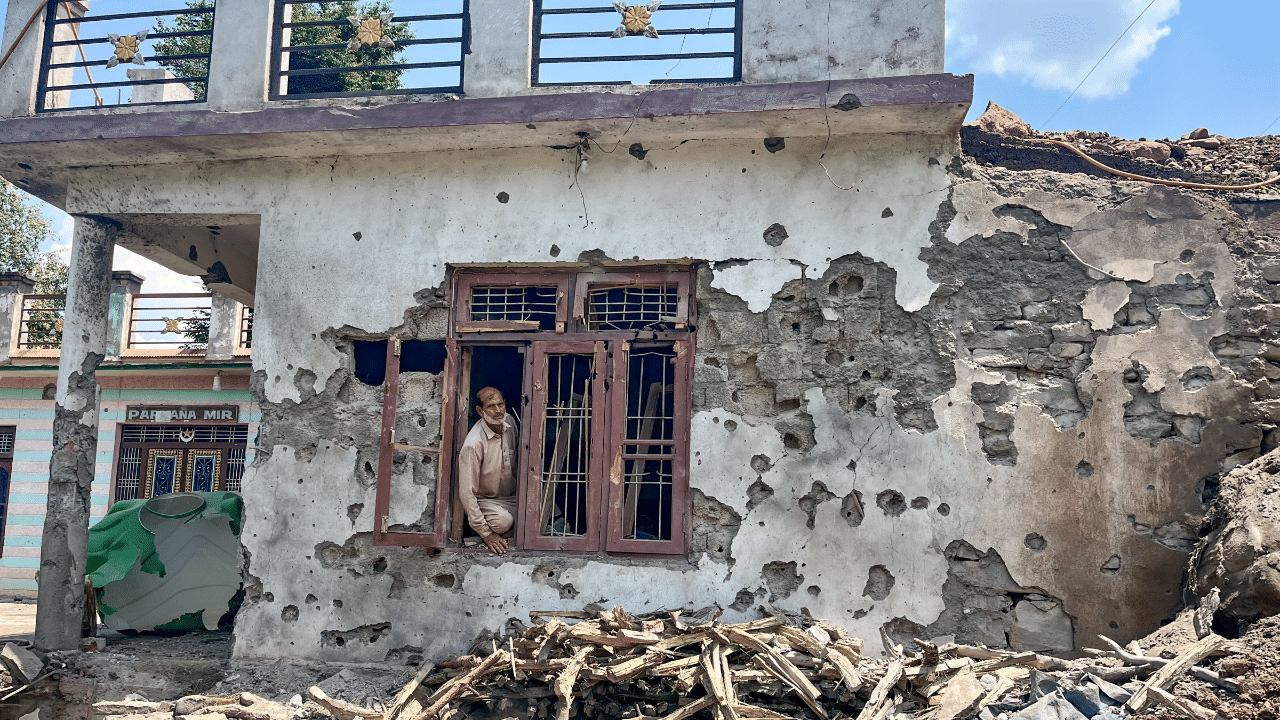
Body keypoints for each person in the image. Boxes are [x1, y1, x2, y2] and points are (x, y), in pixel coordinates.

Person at [457, 387, 518, 555]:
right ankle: (488, 526)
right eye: (491, 406)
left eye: (500, 404)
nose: (498, 411)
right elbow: (466, 493)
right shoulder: (473, 444)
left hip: (513, 497)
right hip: (488, 501)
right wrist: (486, 534)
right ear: (480, 410)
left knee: (538, 509)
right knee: (503, 522)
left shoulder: (510, 422)